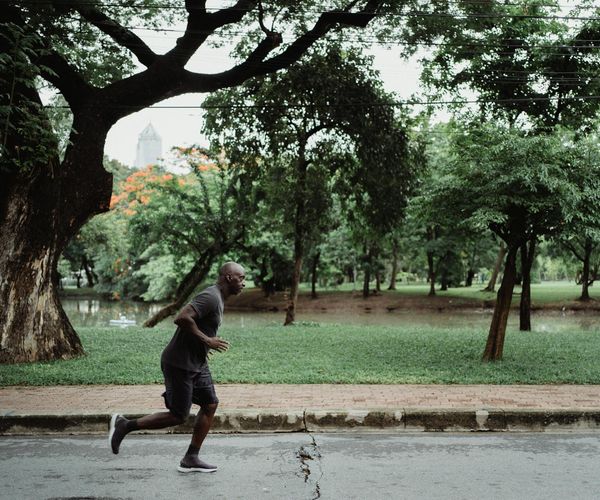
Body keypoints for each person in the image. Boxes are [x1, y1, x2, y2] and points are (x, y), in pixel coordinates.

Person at [108, 261, 246, 473]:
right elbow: (181, 318)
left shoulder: (218, 298)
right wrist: (207, 340)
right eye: (241, 278)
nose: (244, 283)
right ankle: (125, 425)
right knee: (178, 416)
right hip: (179, 363)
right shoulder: (210, 296)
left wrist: (203, 346)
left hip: (197, 364)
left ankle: (191, 457)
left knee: (210, 405)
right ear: (229, 277)